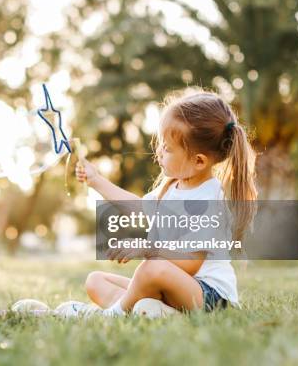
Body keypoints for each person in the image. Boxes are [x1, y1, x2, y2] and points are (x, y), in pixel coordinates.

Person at [76, 91, 257, 316]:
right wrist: (96, 180)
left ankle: (111, 315)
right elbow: (137, 208)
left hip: (209, 297)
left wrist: (147, 249)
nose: (159, 152)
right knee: (96, 280)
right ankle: (155, 311)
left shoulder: (210, 201)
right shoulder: (172, 188)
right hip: (176, 290)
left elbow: (191, 262)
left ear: (198, 161)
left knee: (153, 269)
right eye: (161, 144)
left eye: (168, 148)